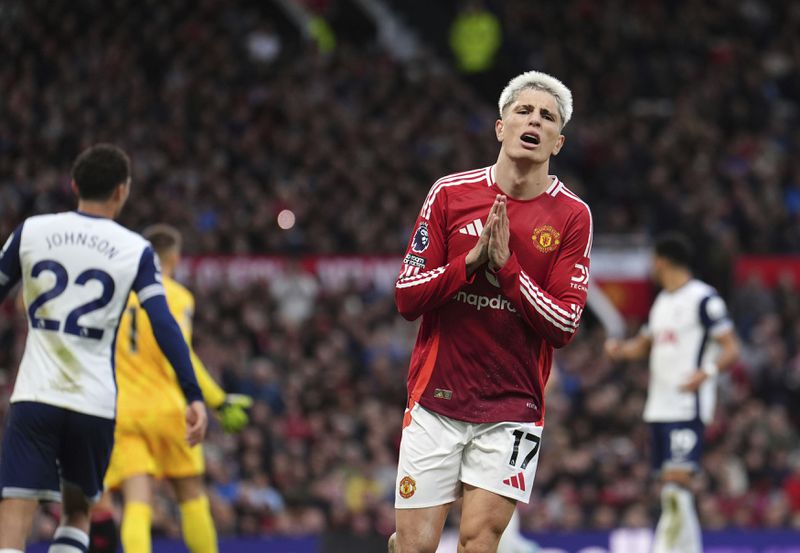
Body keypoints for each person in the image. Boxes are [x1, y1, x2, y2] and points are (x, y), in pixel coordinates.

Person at [390, 70, 592, 553]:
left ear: (557, 142)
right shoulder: (450, 194)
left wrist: (506, 270)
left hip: (513, 408)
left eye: (547, 117)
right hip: (436, 401)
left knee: (479, 541)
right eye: (523, 110)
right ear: (500, 127)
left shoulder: (572, 215)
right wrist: (469, 263)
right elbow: (406, 297)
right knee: (415, 547)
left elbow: (565, 323)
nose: (534, 120)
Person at [0, 144, 207, 553]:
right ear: (122, 191)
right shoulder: (134, 249)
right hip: (93, 404)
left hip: (35, 396)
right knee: (77, 511)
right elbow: (164, 324)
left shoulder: (32, 231)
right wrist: (193, 393)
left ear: (74, 185)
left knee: (15, 507)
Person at [89, 224, 252, 553]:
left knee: (137, 500)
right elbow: (182, 353)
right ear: (174, 258)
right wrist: (218, 400)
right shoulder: (176, 296)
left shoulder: (116, 297)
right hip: (168, 408)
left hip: (124, 411)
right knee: (191, 495)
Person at [604, 233, 740, 553]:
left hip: (686, 404)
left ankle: (666, 548)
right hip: (659, 406)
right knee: (670, 488)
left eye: (653, 260)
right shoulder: (662, 301)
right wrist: (620, 351)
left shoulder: (704, 299)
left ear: (662, 260)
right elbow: (645, 344)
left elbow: (732, 348)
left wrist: (706, 373)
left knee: (677, 485)